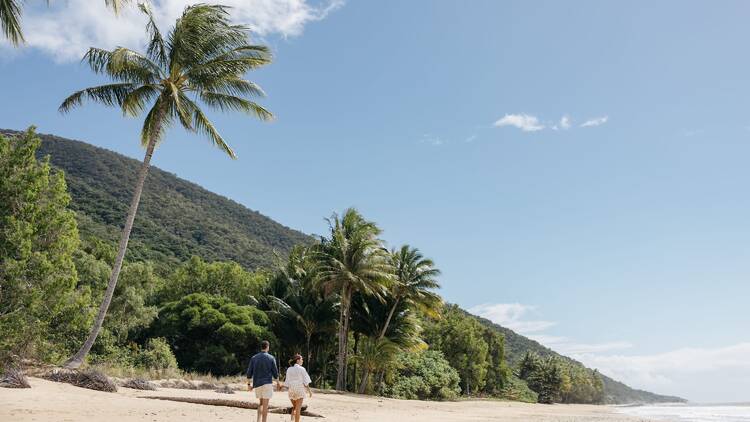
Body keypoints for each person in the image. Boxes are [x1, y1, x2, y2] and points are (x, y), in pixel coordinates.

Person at [246, 341, 282, 422]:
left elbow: (249, 373)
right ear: (267, 347)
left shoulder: (254, 358)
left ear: (261, 347)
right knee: (265, 406)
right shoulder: (271, 358)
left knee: (261, 404)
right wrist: (278, 383)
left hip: (257, 384)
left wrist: (249, 384)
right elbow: (275, 373)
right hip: (267, 384)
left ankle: (258, 420)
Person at [284, 354, 312, 422]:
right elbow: (306, 382)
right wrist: (309, 391)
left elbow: (287, 382)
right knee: (298, 409)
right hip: (299, 389)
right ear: (297, 360)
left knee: (295, 407)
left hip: (291, 390)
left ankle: (292, 418)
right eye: (301, 359)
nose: (302, 360)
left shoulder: (289, 369)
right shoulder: (302, 369)